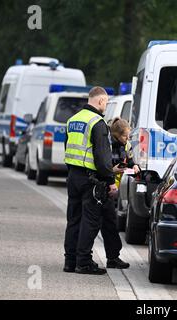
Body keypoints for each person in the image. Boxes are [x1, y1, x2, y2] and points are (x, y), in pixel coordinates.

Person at [63, 86, 130, 275]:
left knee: (73, 219)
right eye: (106, 103)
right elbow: (102, 157)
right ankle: (83, 262)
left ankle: (70, 261)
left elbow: (68, 149)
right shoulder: (98, 123)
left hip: (73, 176)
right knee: (90, 221)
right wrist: (110, 180)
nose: (106, 106)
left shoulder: (72, 120)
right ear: (100, 101)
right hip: (90, 180)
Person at [107, 117, 140, 187]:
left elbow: (130, 161)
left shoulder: (127, 145)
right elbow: (101, 168)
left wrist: (135, 166)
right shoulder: (107, 145)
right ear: (116, 135)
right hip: (108, 184)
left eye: (129, 135)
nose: (128, 138)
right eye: (125, 136)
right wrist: (112, 171)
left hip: (122, 186)